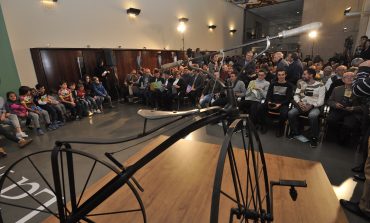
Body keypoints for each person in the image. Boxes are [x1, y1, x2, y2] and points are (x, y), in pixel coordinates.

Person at [340, 61, 370, 221]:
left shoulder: (365, 71)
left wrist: (364, 68)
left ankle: (366, 208)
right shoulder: (338, 89)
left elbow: (359, 89)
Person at [288, 68, 326, 148]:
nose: (302, 76)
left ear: (311, 75)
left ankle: (314, 137)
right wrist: (299, 102)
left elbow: (321, 101)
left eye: (304, 74)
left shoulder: (321, 85)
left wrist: (311, 105)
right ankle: (295, 132)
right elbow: (296, 95)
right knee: (291, 113)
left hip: (314, 107)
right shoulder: (301, 83)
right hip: (302, 105)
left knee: (313, 116)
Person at [326, 72, 362, 144]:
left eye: (352, 76)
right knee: (330, 120)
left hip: (352, 112)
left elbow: (363, 106)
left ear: (355, 79)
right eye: (347, 77)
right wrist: (335, 104)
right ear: (343, 80)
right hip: (338, 110)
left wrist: (353, 108)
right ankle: (334, 137)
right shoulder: (337, 89)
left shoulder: (359, 91)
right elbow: (329, 101)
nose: (349, 78)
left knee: (348, 125)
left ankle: (342, 140)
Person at [259, 69, 293, 137]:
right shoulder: (273, 84)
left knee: (284, 113)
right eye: (279, 75)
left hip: (282, 104)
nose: (281, 76)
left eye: (282, 75)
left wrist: (280, 104)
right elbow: (268, 95)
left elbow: (288, 98)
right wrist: (269, 101)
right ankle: (264, 125)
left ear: (285, 75)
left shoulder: (289, 85)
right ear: (277, 75)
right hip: (272, 102)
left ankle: (280, 129)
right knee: (260, 107)